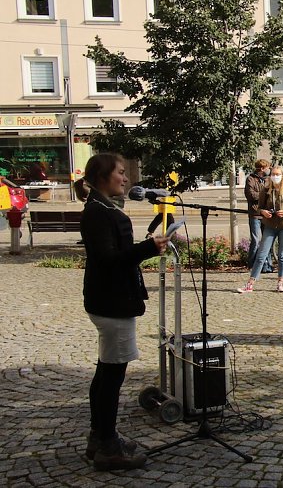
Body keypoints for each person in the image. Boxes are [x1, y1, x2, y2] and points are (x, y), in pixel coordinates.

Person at [75, 153, 168, 471]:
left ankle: (101, 437)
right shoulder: (100, 213)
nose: (126, 178)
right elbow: (109, 260)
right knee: (112, 375)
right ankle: (107, 446)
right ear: (103, 177)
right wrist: (148, 248)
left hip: (109, 300)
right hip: (111, 302)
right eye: (120, 172)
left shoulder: (102, 208)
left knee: (106, 371)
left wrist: (144, 249)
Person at [237, 165, 283, 293]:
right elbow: (259, 208)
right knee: (261, 254)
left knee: (282, 255)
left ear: (282, 176)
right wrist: (263, 212)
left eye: (278, 174)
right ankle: (250, 284)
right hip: (270, 225)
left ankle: (280, 283)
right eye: (273, 174)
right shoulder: (265, 190)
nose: (275, 177)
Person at [244, 159, 273, 273]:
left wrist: (263, 196)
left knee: (267, 241)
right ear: (261, 169)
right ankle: (252, 264)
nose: (269, 170)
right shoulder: (250, 179)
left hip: (267, 214)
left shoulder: (268, 180)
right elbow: (250, 195)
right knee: (256, 240)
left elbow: (271, 194)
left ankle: (268, 265)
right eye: (267, 168)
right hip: (255, 214)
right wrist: (264, 195)